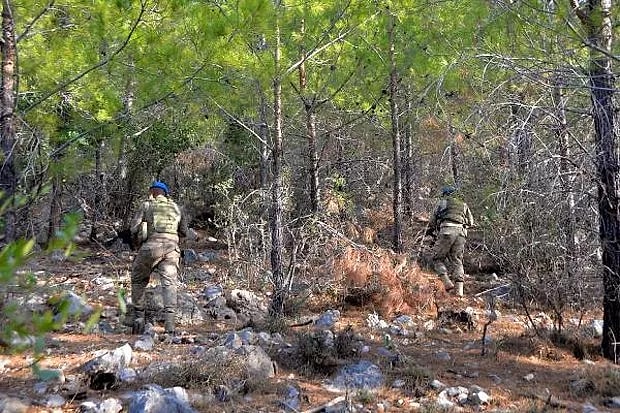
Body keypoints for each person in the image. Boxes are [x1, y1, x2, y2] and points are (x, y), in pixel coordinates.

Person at [127, 180, 188, 335]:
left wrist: (139, 238)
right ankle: (170, 326)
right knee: (169, 285)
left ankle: (139, 318)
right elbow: (184, 232)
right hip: (172, 248)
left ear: (152, 192)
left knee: (138, 279)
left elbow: (133, 227)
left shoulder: (146, 205)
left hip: (150, 247)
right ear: (166, 193)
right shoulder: (176, 208)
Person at [429, 185, 474, 297]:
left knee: (437, 258)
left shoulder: (442, 202)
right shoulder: (463, 204)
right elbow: (471, 222)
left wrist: (435, 230)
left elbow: (432, 220)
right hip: (461, 233)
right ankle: (459, 291)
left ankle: (447, 282)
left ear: (445, 194)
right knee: (456, 259)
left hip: (447, 231)